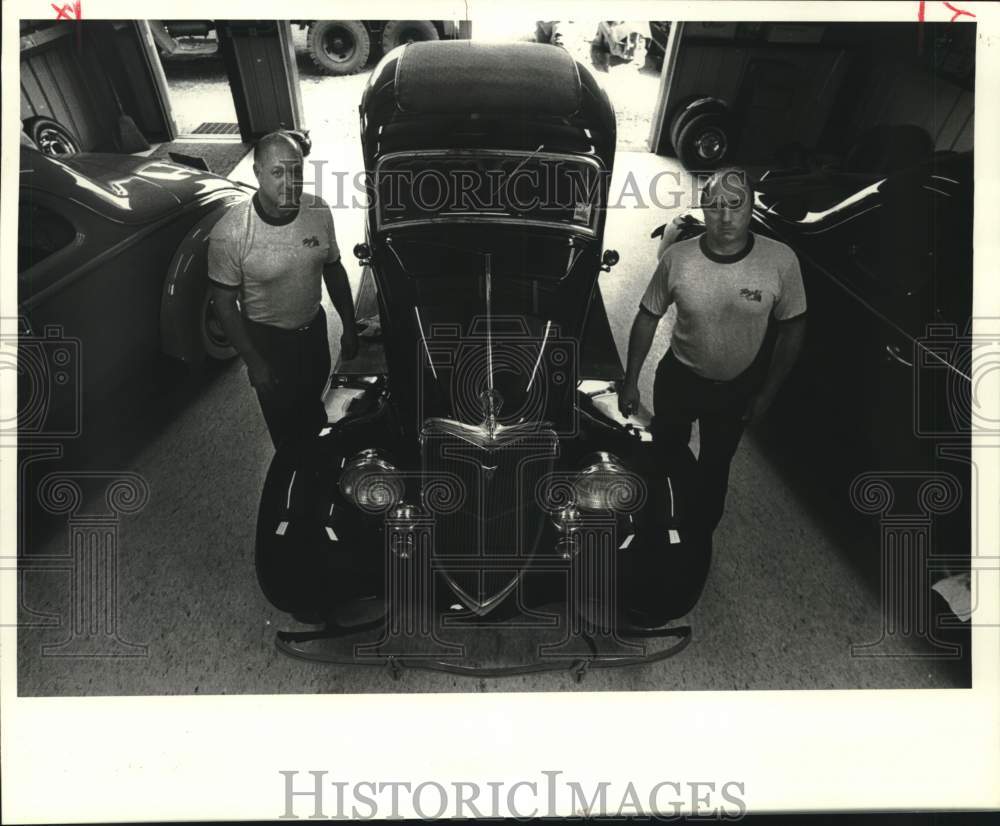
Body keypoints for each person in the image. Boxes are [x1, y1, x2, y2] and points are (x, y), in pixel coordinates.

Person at [618, 168, 807, 534]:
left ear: (752, 206)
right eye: (715, 205)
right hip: (679, 379)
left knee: (715, 466)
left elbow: (794, 330)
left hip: (737, 389)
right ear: (702, 208)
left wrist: (767, 393)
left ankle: (697, 538)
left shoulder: (781, 261)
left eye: (736, 204)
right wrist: (630, 381)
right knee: (664, 451)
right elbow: (646, 318)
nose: (725, 216)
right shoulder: (678, 259)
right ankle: (654, 527)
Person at [208, 131, 359, 448]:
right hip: (269, 343)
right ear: (258, 172)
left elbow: (333, 267)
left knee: (314, 403)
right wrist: (254, 361)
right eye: (277, 172)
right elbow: (224, 304)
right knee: (286, 428)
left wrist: (349, 325)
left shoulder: (317, 210)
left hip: (314, 330)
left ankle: (317, 457)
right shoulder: (231, 232)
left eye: (296, 170)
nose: (289, 181)